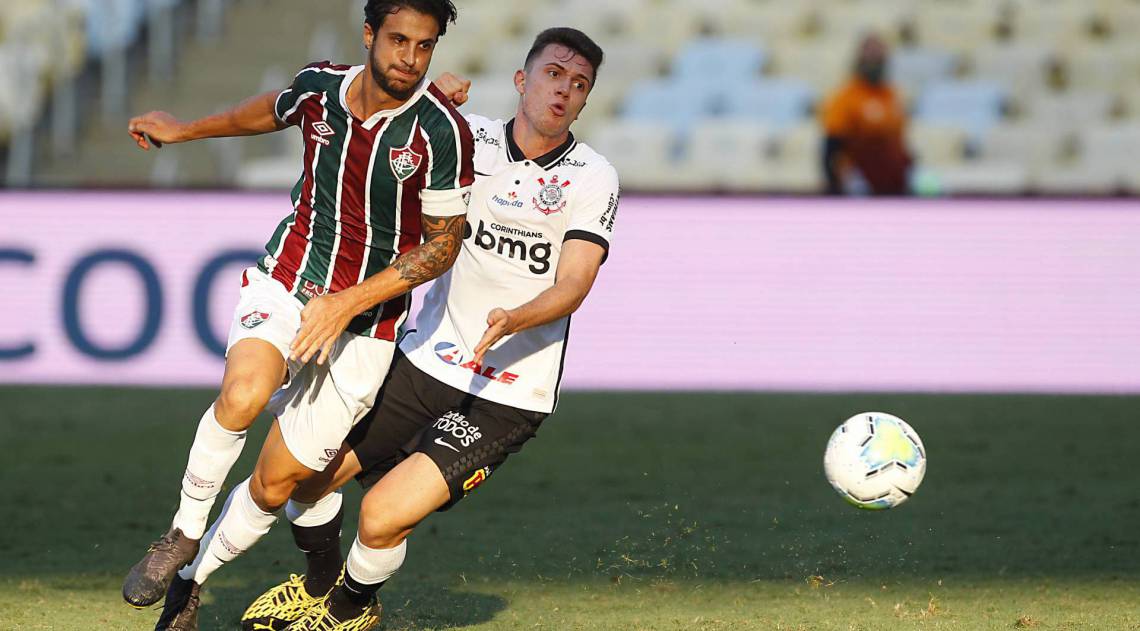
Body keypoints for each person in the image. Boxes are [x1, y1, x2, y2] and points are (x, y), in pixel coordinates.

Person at [236, 27, 619, 631]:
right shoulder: (469, 140)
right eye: (553, 74)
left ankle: (349, 610)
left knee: (383, 515)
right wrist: (425, 104)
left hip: (505, 391)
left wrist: (519, 317)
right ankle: (318, 584)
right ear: (522, 80)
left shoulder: (593, 176)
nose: (563, 91)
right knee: (304, 474)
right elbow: (390, 160)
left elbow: (573, 284)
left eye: (579, 84)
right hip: (422, 362)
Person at [119, 2, 473, 629]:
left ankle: (190, 580)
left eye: (424, 47)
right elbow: (269, 110)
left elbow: (444, 244)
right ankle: (180, 534)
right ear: (369, 35)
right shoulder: (320, 88)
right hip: (290, 281)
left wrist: (348, 304)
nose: (409, 60)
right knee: (244, 391)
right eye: (397, 41)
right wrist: (184, 130)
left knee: (276, 486)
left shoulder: (441, 133)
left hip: (368, 327)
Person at [820, 33, 912, 195]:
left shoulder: (892, 96)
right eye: (870, 57)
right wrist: (834, 187)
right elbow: (831, 147)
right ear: (859, 60)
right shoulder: (845, 97)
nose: (875, 62)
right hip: (858, 180)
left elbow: (899, 143)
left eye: (879, 57)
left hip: (893, 180)